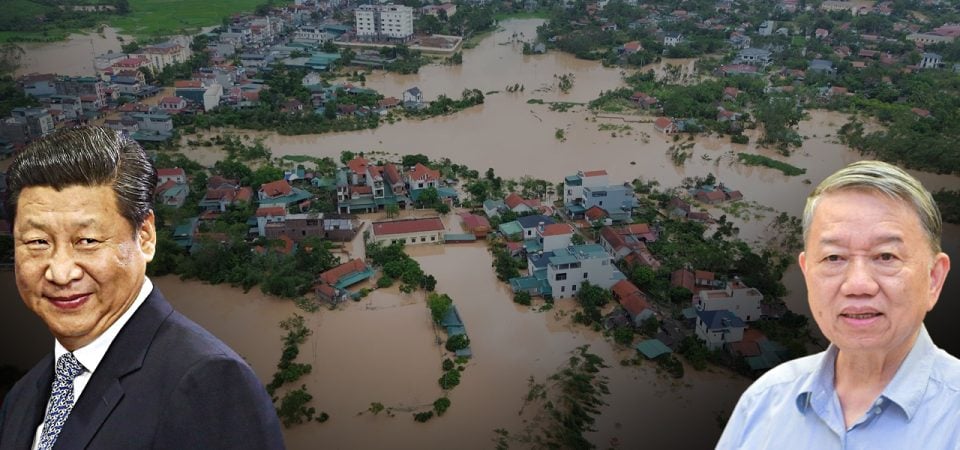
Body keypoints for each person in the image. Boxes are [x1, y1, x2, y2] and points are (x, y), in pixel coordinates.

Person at [0, 127, 285, 449]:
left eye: (88, 241)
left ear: (146, 237)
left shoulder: (207, 380)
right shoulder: (25, 395)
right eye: (37, 242)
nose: (61, 273)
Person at [717, 160, 957, 448]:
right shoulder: (764, 402)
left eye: (886, 256)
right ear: (807, 273)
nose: (857, 285)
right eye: (834, 258)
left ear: (933, 278)